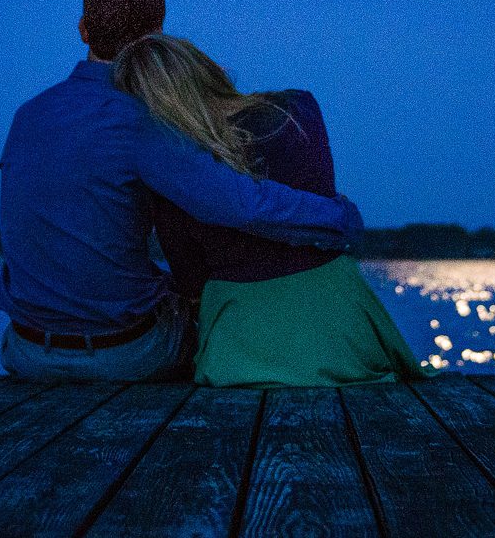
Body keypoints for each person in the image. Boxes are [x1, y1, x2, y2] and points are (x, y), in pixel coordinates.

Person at [0, 0, 365, 381]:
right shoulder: (138, 120)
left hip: (25, 352)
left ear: (83, 29)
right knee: (210, 316)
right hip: (123, 355)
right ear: (157, 36)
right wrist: (337, 217)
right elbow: (242, 205)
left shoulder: (25, 117)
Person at [116, 33, 429, 386]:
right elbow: (314, 198)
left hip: (241, 335)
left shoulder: (173, 173)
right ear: (203, 69)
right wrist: (338, 220)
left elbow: (193, 282)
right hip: (339, 317)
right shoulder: (298, 110)